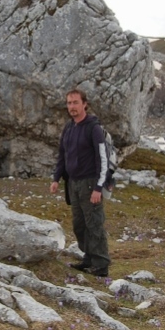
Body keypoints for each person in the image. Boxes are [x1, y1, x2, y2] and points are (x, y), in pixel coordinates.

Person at [49, 89, 111, 277]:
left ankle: (101, 264)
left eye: (75, 102)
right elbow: (63, 155)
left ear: (84, 104)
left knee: (94, 223)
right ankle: (88, 258)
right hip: (73, 184)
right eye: (69, 103)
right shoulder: (69, 128)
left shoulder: (94, 128)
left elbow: (103, 159)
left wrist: (99, 187)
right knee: (79, 224)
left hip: (90, 183)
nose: (72, 107)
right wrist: (56, 178)